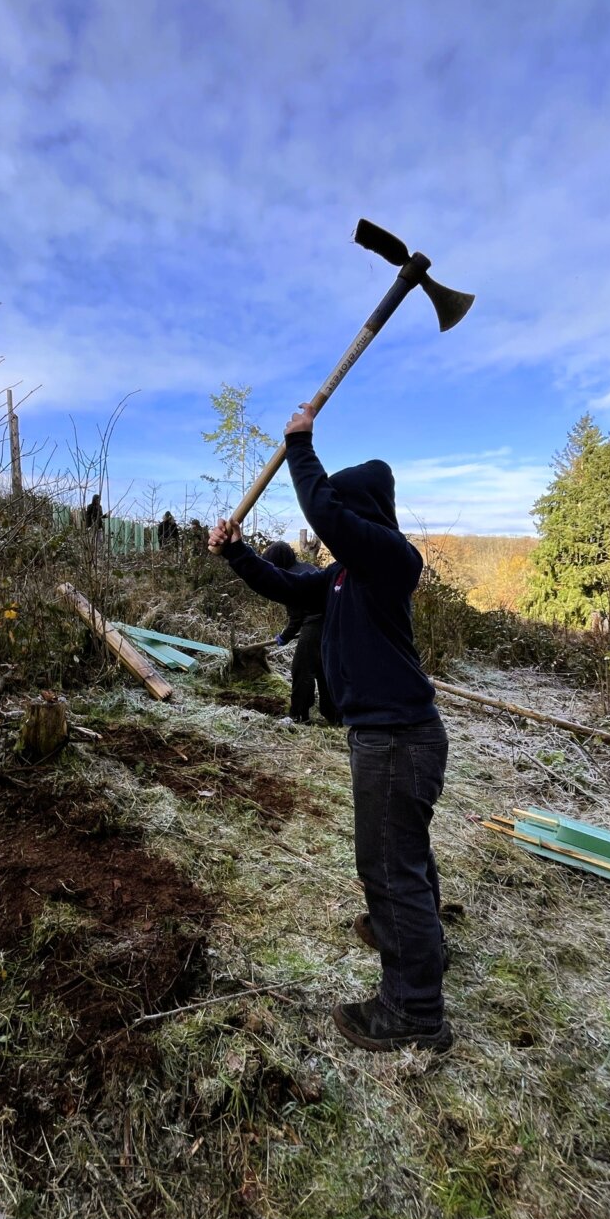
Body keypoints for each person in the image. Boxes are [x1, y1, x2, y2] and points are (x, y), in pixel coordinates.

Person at [210, 403, 451, 1054]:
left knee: (387, 864)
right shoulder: (345, 577)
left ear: (360, 511)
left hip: (398, 738)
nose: (327, 533)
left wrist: (299, 446)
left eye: (339, 515)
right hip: (392, 736)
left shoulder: (390, 559)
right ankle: (415, 933)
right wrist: (236, 554)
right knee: (404, 855)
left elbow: (324, 512)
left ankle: (415, 1009)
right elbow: (282, 581)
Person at [262, 540, 338, 725]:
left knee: (302, 668)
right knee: (322, 669)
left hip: (316, 621)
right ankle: (334, 716)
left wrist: (284, 637)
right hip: (333, 621)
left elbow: (296, 618)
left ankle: (298, 715)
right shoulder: (306, 567)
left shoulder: (289, 577)